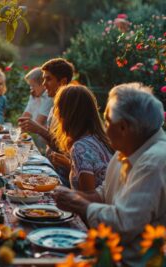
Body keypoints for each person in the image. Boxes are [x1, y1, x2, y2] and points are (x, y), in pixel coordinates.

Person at [53, 83, 166, 266]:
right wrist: (69, 196)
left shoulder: (154, 162)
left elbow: (124, 224)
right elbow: (105, 192)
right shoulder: (126, 150)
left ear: (123, 127)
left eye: (107, 121)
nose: (104, 129)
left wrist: (80, 205)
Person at [18, 58, 74, 186]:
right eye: (43, 79)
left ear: (63, 82)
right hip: (52, 168)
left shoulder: (69, 107)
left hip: (63, 176)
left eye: (48, 79)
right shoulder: (56, 105)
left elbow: (63, 146)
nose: (44, 84)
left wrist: (38, 129)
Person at [51, 85, 113, 191]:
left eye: (58, 109)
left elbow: (87, 199)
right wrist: (70, 164)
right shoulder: (102, 139)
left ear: (65, 114)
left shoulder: (80, 147)